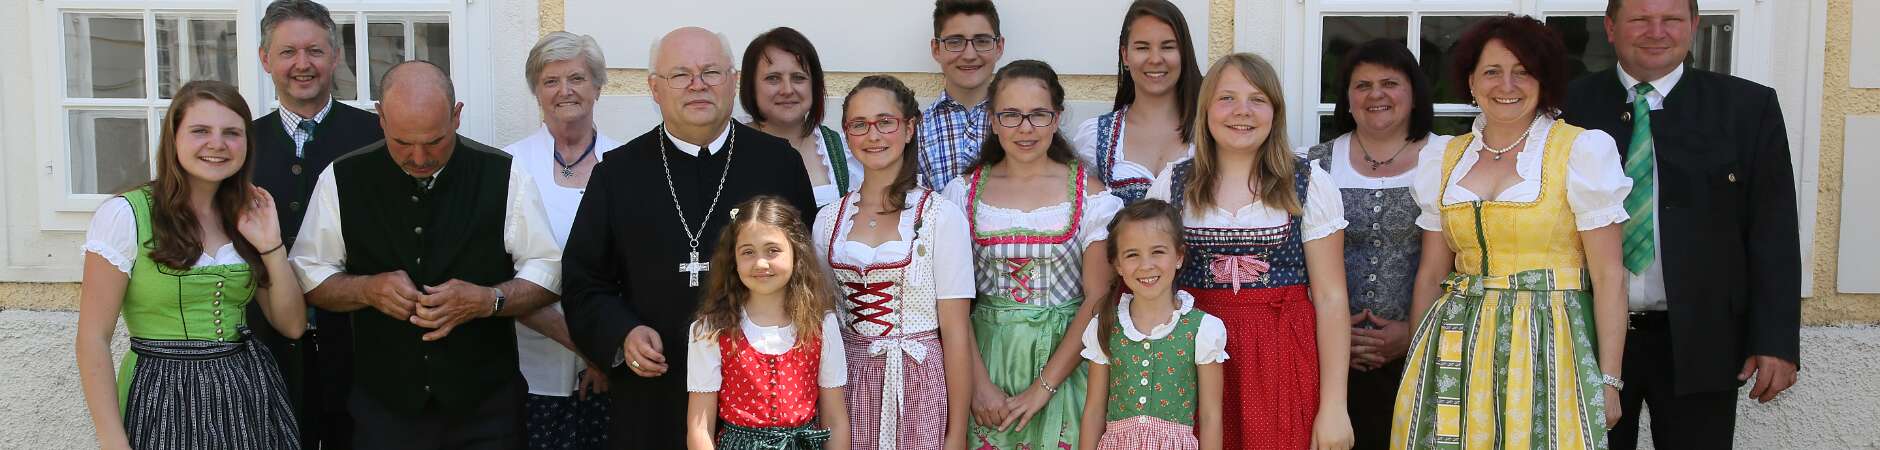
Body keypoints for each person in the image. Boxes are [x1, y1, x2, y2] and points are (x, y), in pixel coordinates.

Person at [559, 26, 818, 450]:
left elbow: (808, 276)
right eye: (680, 75)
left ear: (733, 81)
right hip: (652, 395)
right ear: (655, 89)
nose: (697, 85)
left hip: (761, 400)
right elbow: (584, 282)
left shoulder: (778, 165)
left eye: (711, 72)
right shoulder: (618, 173)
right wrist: (622, 334)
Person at [1560, 0, 1801, 447]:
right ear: (1610, 28)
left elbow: (1773, 232)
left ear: (1693, 26)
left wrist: (1776, 340)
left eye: (1671, 19)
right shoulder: (1567, 106)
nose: (1656, 31)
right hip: (1582, 336)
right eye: (1639, 19)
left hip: (1704, 339)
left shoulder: (1747, 107)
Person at [289, 61, 563, 449]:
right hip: (383, 412)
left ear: (457, 116)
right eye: (402, 142)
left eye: (435, 141)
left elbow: (548, 269)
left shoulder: (506, 175)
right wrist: (366, 290)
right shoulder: (342, 177)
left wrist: (489, 300)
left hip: (487, 411)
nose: (419, 157)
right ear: (381, 118)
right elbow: (308, 272)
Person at [1392, 15, 1633, 450]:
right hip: (1456, 343)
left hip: (1549, 343)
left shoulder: (1579, 151)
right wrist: (1417, 359)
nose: (1507, 85)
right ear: (1471, 81)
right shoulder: (1445, 157)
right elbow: (1431, 274)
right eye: (1492, 71)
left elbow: (1609, 275)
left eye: (1523, 71)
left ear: (1545, 80)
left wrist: (1609, 378)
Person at [77, 80, 305, 449]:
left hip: (245, 397)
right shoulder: (125, 215)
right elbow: (93, 339)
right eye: (200, 131)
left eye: (232, 133)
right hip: (161, 395)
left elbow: (292, 325)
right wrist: (113, 442)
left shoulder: (247, 215)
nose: (217, 144)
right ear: (174, 139)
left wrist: (271, 246)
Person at [1146, 53, 1354, 450]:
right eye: (1227, 98)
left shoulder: (1308, 184)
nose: (1242, 111)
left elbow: (1331, 298)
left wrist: (1334, 406)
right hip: (1190, 361)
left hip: (1282, 362)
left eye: (1257, 99)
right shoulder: (1173, 184)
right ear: (1206, 110)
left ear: (1275, 112)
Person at [940, 59, 1124, 450]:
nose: (1025, 128)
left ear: (1056, 118)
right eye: (1010, 115)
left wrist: (1044, 387)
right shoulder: (961, 194)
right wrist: (977, 385)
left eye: (1038, 114)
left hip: (1066, 360)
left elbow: (1097, 297)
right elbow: (953, 302)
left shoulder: (1091, 196)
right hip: (984, 359)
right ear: (992, 121)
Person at [1299, 38, 1449, 450]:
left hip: (1426, 355)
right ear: (1347, 99)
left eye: (1390, 83)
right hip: (1328, 359)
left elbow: (1464, 261)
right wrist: (1333, 334)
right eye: (1362, 85)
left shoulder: (1449, 159)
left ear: (1414, 94)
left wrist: (1412, 333)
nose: (1375, 94)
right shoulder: (1313, 164)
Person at [812, 75, 977, 450]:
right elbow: (822, 324)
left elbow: (956, 334)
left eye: (885, 122)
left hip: (918, 386)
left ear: (909, 128)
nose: (873, 135)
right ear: (846, 134)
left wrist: (956, 435)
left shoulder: (940, 217)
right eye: (859, 124)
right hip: (846, 385)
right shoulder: (828, 220)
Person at [250, 2, 385, 446]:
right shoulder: (239, 144)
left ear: (336, 56)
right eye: (288, 52)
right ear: (265, 59)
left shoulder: (380, 137)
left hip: (362, 356)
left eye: (315, 51)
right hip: (265, 354)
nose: (302, 64)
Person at [503, 31, 620, 450]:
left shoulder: (626, 163)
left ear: (598, 87)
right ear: (536, 91)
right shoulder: (509, 165)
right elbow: (501, 273)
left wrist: (605, 355)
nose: (565, 90)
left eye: (577, 78)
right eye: (551, 81)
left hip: (611, 373)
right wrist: (587, 349)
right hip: (528, 372)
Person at [685, 196, 852, 450]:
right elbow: (700, 427)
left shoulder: (820, 325)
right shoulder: (711, 329)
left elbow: (835, 420)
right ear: (733, 260)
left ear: (796, 252)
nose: (761, 263)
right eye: (748, 252)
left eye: (772, 250)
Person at [1076, 199, 1226, 450]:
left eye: (1157, 252)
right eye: (1132, 255)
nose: (1146, 265)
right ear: (1118, 265)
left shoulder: (1202, 330)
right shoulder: (1105, 325)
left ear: (1179, 256)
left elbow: (1211, 417)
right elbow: (1093, 412)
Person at [1072, 0, 1202, 203]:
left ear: (1183, 53)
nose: (1155, 59)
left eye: (1168, 47)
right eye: (1142, 48)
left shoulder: (1209, 132)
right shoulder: (1095, 137)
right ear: (1125, 55)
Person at [741, 27, 863, 207]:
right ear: (751, 86)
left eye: (798, 78)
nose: (787, 90)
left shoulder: (844, 154)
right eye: (773, 78)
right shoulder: (729, 145)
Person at [919, 0, 1006, 188]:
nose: (969, 55)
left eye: (982, 41)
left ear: (999, 47)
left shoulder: (1020, 122)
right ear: (936, 49)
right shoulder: (917, 130)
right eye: (955, 42)